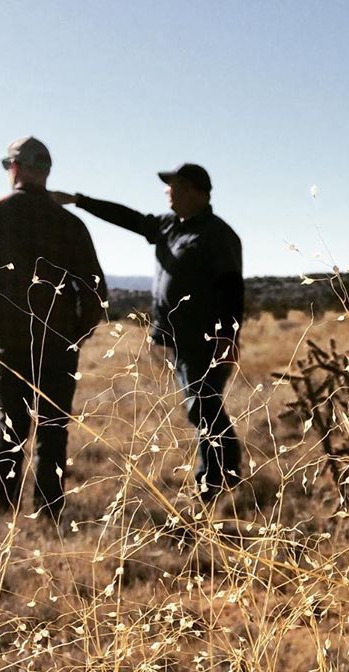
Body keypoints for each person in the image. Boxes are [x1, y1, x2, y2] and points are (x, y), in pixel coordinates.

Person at [52, 164, 244, 502]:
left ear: (196, 191)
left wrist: (227, 338)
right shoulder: (170, 226)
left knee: (203, 407)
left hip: (206, 340)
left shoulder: (218, 235)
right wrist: (80, 201)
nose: (168, 191)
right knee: (202, 407)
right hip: (180, 339)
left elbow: (232, 290)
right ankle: (224, 477)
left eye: (175, 185)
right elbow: (129, 218)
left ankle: (214, 482)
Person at [0, 136, 107, 521]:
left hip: (8, 340)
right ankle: (48, 511)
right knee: (53, 430)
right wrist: (75, 334)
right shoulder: (68, 223)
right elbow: (95, 290)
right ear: (45, 172)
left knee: (10, 427)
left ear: (16, 167)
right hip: (59, 342)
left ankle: (5, 511)